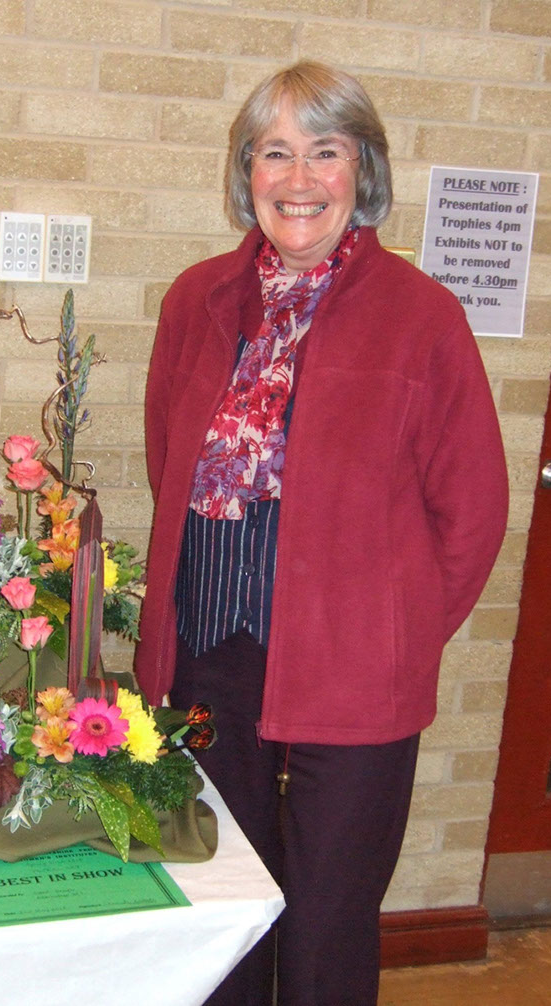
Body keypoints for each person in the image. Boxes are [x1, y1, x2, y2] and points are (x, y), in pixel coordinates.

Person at [134, 61, 508, 1006]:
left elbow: (471, 510)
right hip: (210, 651)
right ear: (246, 172)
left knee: (329, 911)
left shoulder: (422, 317)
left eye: (325, 152)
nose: (298, 179)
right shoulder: (197, 300)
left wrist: (398, 634)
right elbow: (165, 460)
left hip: (353, 673)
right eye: (275, 153)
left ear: (362, 170)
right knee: (225, 893)